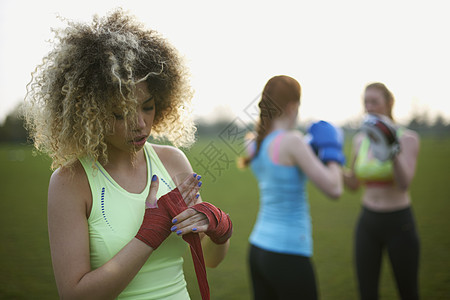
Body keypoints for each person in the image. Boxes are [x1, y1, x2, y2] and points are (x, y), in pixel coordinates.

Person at [23, 9, 232, 299]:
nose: (140, 123)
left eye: (147, 106)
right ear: (89, 114)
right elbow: (75, 294)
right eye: (120, 113)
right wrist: (149, 235)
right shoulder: (71, 181)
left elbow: (209, 259)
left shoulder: (172, 161)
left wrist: (218, 228)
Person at [239, 75, 345, 299]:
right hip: (288, 252)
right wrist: (332, 151)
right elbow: (335, 188)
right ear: (292, 106)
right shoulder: (292, 142)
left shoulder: (253, 143)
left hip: (258, 249)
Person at [343, 82, 420, 300]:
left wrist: (392, 148)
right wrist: (332, 163)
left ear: (389, 103)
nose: (369, 107)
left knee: (408, 292)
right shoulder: (360, 139)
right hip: (368, 222)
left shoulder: (408, 138)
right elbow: (353, 185)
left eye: (374, 101)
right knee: (367, 293)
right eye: (365, 102)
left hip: (399, 222)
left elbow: (404, 183)